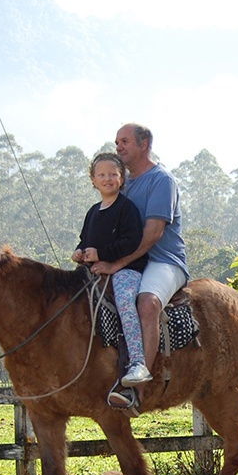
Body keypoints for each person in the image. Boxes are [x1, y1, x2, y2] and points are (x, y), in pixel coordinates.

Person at [89, 123, 189, 396]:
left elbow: (153, 233)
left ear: (143, 144)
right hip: (131, 262)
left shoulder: (161, 180)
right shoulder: (123, 183)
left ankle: (137, 381)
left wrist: (116, 263)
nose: (118, 147)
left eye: (124, 142)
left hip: (163, 261)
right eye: (117, 142)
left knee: (147, 303)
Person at [71, 152, 150, 408]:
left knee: (125, 300)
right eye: (102, 175)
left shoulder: (126, 209)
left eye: (113, 174)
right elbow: (86, 240)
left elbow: (132, 241)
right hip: (95, 273)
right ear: (93, 180)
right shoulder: (93, 212)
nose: (108, 179)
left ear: (122, 178)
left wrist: (103, 255)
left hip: (126, 271)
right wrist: (80, 252)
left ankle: (137, 361)